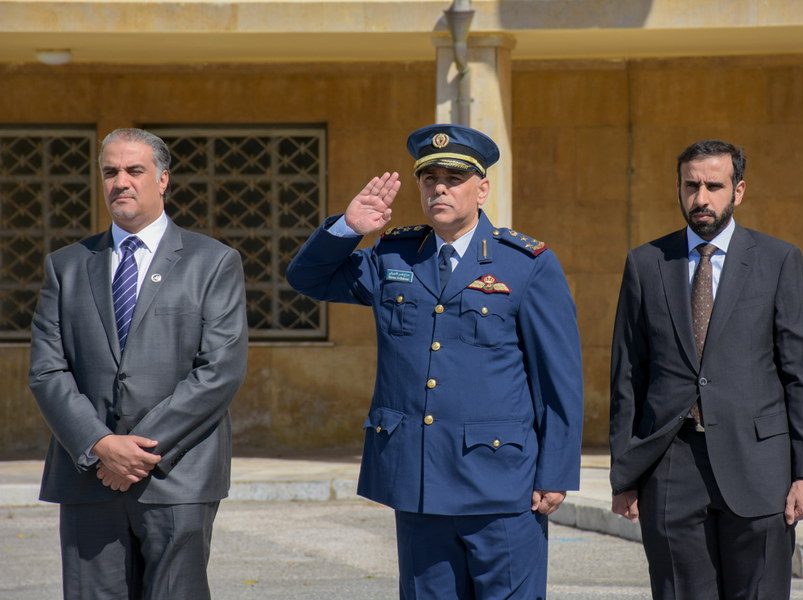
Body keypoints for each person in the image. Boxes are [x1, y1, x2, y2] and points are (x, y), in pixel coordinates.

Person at [286, 124, 583, 598]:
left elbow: (557, 378)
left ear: (482, 189)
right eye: (430, 179)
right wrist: (348, 229)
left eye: (454, 178)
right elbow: (308, 279)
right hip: (419, 481)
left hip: (500, 482)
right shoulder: (393, 256)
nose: (439, 188)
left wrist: (555, 472)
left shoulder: (525, 263)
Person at [29, 128, 248, 600]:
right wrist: (101, 445)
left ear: (163, 179)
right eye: (110, 172)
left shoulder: (213, 262)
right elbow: (47, 369)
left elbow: (219, 370)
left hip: (177, 475)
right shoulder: (66, 266)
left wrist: (138, 452)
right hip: (89, 475)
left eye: (134, 170)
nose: (120, 182)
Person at [608, 139, 803, 599]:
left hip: (760, 467)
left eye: (714, 186)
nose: (701, 198)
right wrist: (624, 476)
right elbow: (628, 375)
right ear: (678, 188)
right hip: (671, 465)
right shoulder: (646, 263)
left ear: (738, 191)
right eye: (691, 186)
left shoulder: (778, 261)